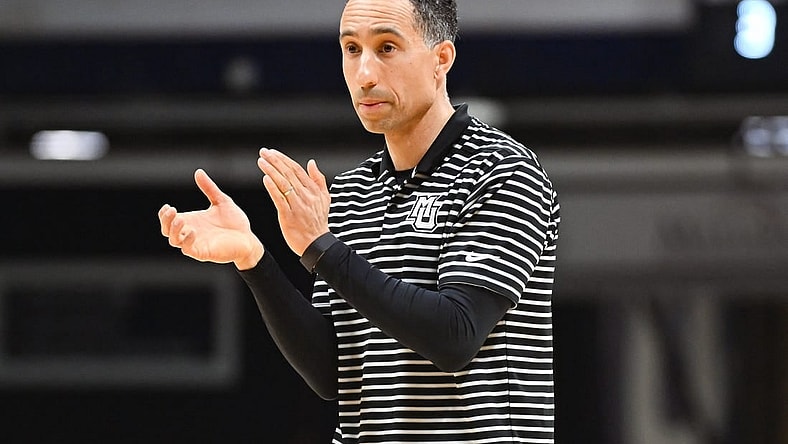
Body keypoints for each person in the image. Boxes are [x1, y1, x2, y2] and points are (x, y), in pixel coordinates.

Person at [158, 0, 560, 442]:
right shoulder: (350, 192)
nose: (365, 74)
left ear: (440, 59)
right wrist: (255, 261)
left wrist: (322, 249)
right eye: (352, 49)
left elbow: (454, 336)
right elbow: (334, 373)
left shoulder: (502, 171)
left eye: (386, 48)